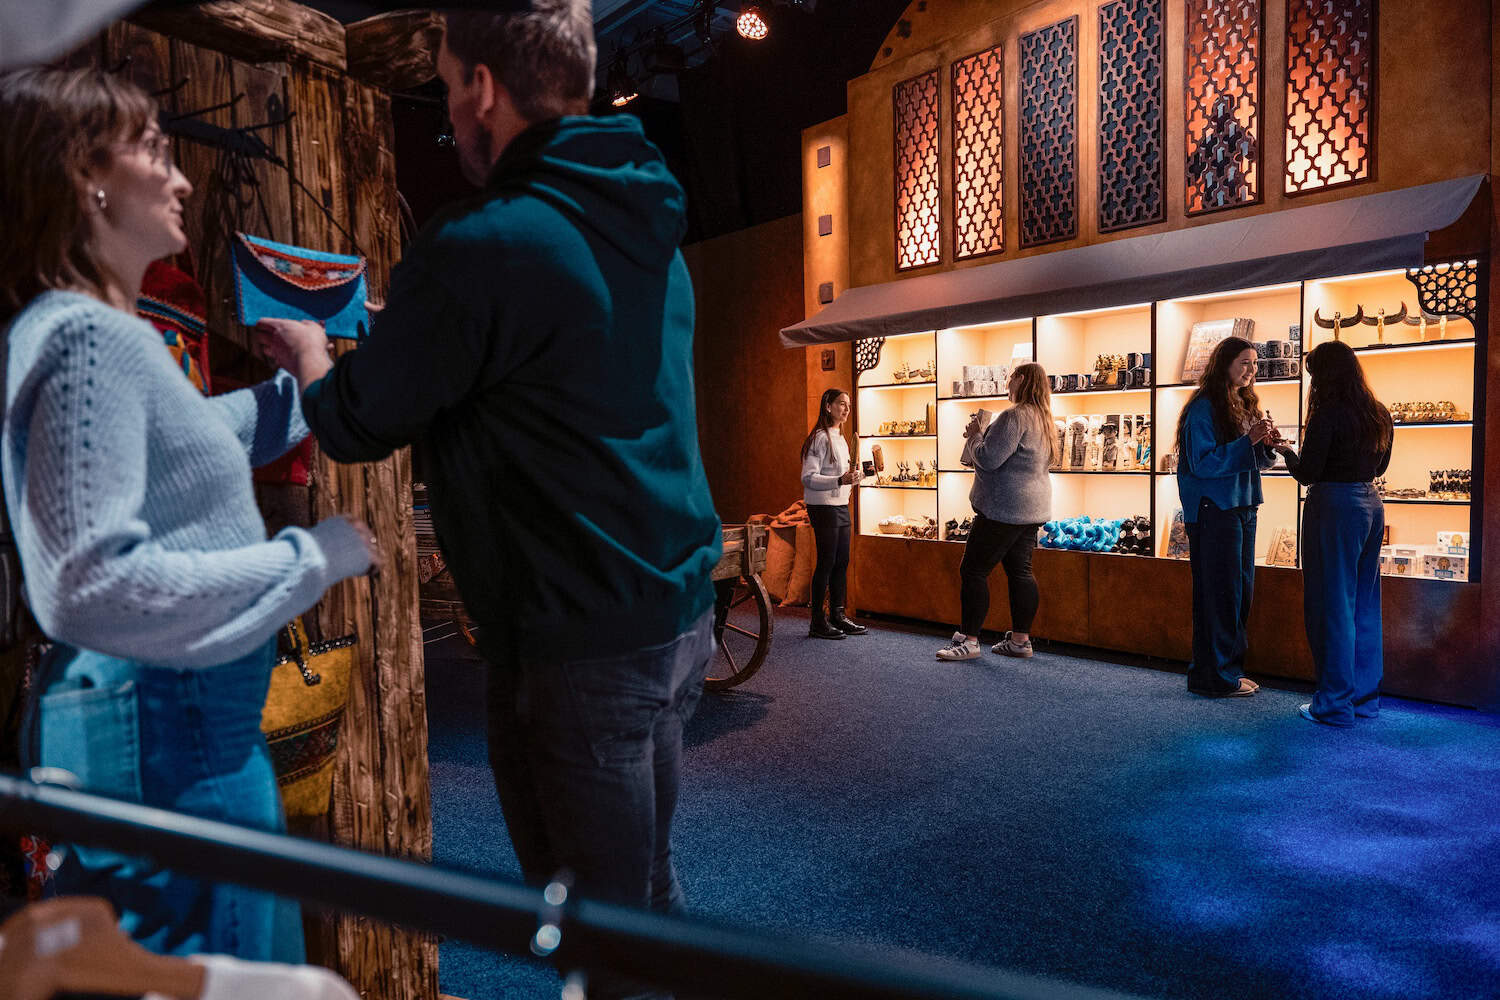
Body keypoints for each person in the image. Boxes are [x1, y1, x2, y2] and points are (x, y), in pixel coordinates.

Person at [254, 6, 721, 996]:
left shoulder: (482, 243)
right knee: (650, 898)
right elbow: (543, 348)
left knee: (599, 940)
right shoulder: (646, 223)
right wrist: (417, 323)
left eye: (446, 84)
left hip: (579, 645)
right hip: (676, 618)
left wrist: (309, 354)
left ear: (482, 88)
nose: (448, 111)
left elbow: (355, 420)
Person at [0, 68, 376, 960]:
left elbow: (205, 434)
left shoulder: (88, 333)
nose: (182, 180)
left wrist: (311, 371)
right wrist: (312, 557)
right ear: (84, 176)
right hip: (175, 733)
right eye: (154, 152)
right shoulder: (88, 338)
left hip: (174, 727)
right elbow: (86, 584)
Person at [1272, 340, 1392, 726]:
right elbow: (1381, 465)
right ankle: (1363, 699)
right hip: (1371, 503)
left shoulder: (1327, 413)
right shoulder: (1378, 412)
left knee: (1331, 604)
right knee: (1364, 604)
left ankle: (1334, 704)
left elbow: (1309, 473)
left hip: (1334, 506)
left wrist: (1286, 452)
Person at [1175, 336, 1277, 697]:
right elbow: (1202, 463)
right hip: (1214, 509)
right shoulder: (1203, 408)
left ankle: (1228, 671)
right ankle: (1212, 676)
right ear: (1224, 364)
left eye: (1254, 363)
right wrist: (1247, 442)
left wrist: (1266, 447)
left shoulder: (1245, 403)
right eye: (1244, 362)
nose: (1251, 370)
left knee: (1239, 592)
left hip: (1244, 505)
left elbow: (1253, 460)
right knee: (1219, 593)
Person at [936, 363, 1054, 661]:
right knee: (1020, 572)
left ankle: (970, 640)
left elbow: (988, 458)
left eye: (1011, 377)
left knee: (973, 570)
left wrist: (975, 435)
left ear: (1021, 379)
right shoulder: (1043, 418)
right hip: (1031, 509)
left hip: (1003, 509)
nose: (1007, 383)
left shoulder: (1014, 416)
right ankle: (1020, 641)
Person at [800, 388, 864, 639]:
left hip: (839, 504)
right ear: (828, 406)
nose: (846, 409)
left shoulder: (841, 437)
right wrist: (840, 480)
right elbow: (808, 478)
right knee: (827, 562)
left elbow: (842, 476)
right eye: (841, 404)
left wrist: (855, 478)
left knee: (842, 561)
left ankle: (837, 615)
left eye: (848, 404)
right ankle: (817, 621)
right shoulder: (819, 438)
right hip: (822, 506)